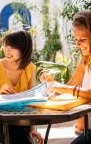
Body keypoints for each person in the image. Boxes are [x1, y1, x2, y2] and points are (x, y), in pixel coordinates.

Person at [40, 10, 91, 144]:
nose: (77, 45)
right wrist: (53, 84)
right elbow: (71, 84)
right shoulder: (85, 60)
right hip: (86, 129)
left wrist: (63, 88)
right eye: (76, 39)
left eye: (83, 39)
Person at [0, 30, 43, 144]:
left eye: (13, 46)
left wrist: (32, 129)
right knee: (18, 137)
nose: (7, 49)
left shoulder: (30, 68)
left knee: (20, 134)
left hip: (20, 121)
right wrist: (0, 93)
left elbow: (32, 101)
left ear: (24, 49)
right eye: (6, 45)